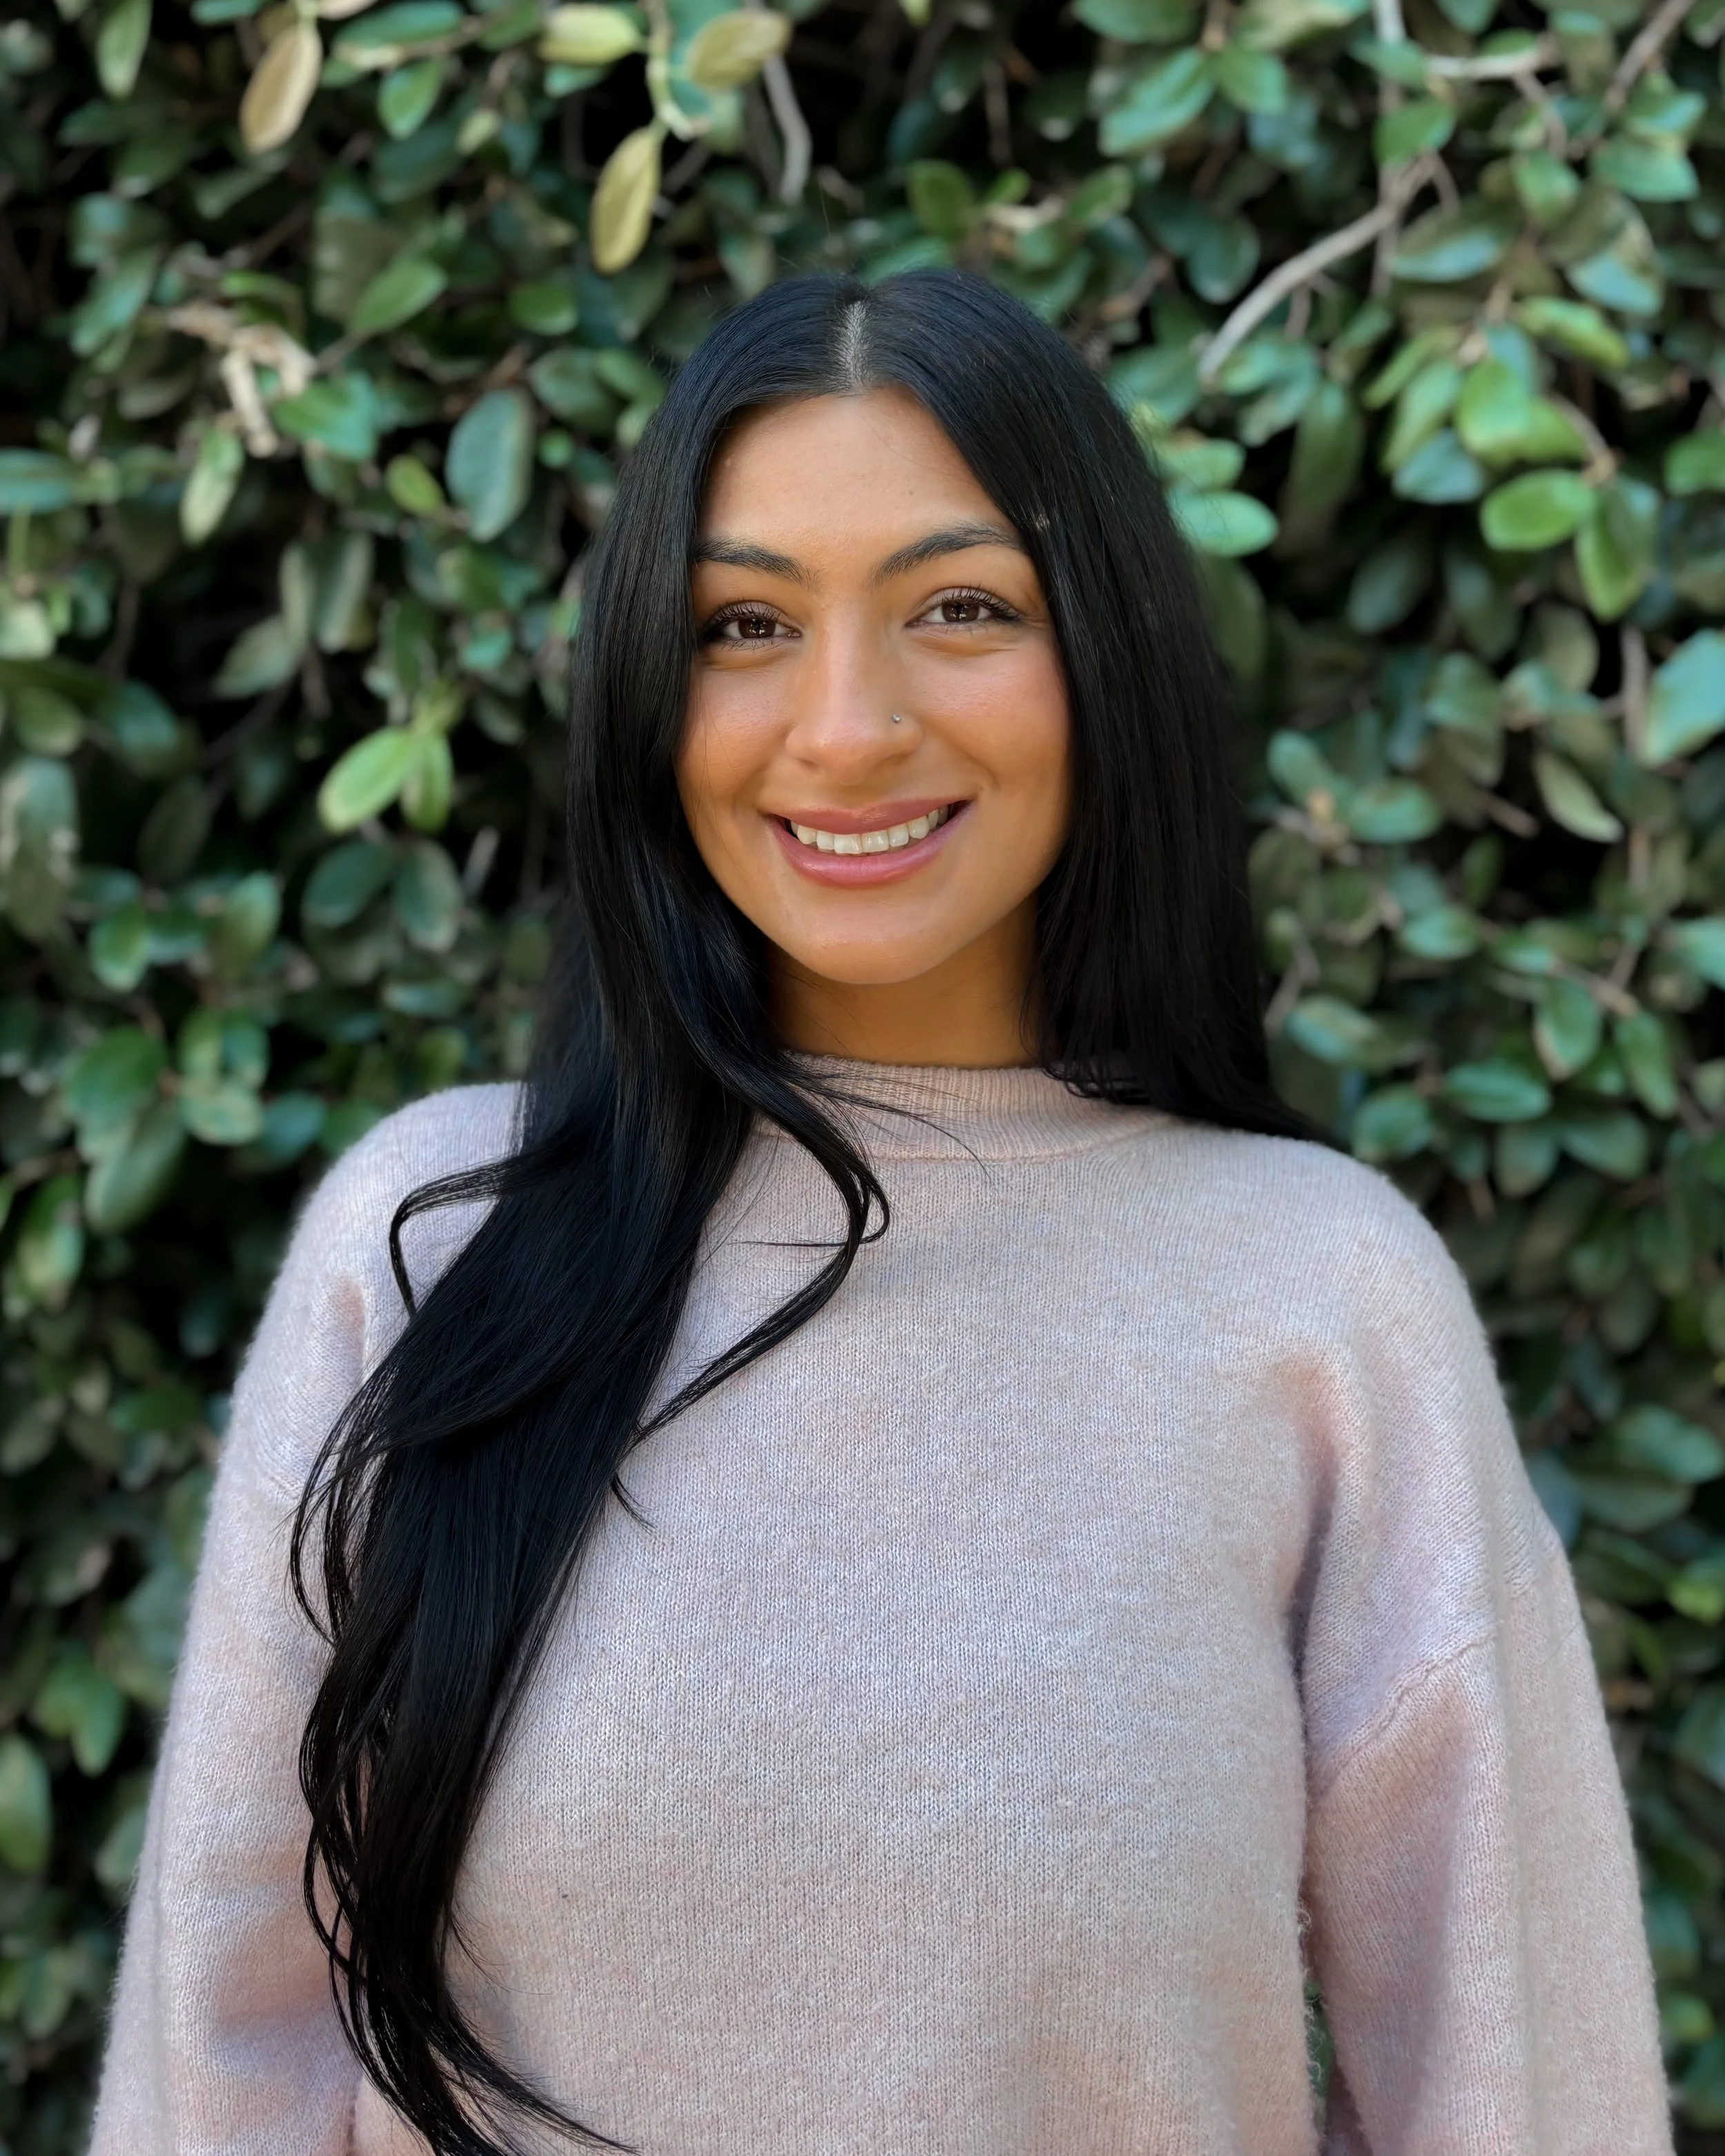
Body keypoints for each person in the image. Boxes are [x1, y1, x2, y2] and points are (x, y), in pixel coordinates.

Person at [90, 269, 1671, 2155]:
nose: (842, 726)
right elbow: (222, 2069)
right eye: (744, 622)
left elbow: (1522, 2091)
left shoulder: (1315, 1299)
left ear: (1100, 654)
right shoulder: (430, 1251)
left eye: (959, 607)